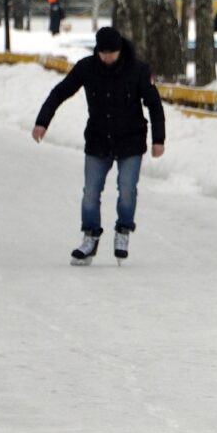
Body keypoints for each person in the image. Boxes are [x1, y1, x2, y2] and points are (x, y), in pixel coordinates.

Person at [32, 26, 166, 266]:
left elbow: (154, 105)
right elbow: (60, 92)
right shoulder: (87, 68)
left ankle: (123, 231)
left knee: (127, 190)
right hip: (98, 139)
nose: (107, 58)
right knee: (90, 193)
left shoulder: (137, 70)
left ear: (120, 51)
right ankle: (90, 237)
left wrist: (158, 139)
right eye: (103, 53)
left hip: (131, 140)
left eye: (111, 53)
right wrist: (42, 121)